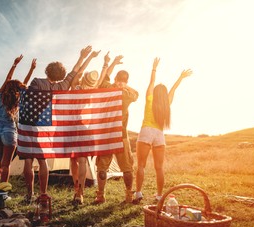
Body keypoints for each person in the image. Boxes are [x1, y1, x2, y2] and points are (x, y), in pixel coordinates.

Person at [24, 46, 93, 222]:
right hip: (51, 127)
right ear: (61, 75)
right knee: (43, 159)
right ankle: (43, 193)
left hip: (34, 124)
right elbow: (75, 71)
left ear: (47, 70)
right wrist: (82, 56)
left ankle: (29, 194)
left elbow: (28, 100)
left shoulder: (37, 82)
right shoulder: (64, 85)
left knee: (28, 159)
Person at [134, 58, 192, 204]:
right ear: (164, 94)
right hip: (159, 135)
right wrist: (181, 77)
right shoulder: (166, 103)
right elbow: (174, 89)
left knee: (141, 165)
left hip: (146, 131)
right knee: (159, 167)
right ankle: (159, 195)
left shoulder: (149, 98)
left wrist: (154, 68)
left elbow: (151, 82)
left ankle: (138, 193)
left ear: (155, 92)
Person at [94, 55, 139, 204]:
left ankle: (100, 195)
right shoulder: (126, 94)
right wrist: (125, 86)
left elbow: (105, 76)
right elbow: (137, 95)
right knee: (127, 167)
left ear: (115, 79)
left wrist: (111, 63)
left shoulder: (107, 88)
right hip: (121, 136)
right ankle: (128, 195)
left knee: (102, 167)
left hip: (106, 135)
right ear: (126, 81)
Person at [69, 50, 110, 204]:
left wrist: (88, 57)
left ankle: (76, 190)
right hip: (87, 128)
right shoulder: (93, 91)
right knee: (83, 160)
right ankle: (80, 193)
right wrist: (105, 62)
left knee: (73, 160)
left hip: (73, 127)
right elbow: (101, 76)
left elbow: (78, 71)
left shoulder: (76, 89)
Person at [0, 55, 36, 189]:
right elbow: (25, 83)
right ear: (17, 90)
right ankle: (2, 191)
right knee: (6, 165)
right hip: (9, 132)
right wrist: (32, 69)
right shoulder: (17, 99)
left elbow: (7, 79)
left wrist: (14, 65)